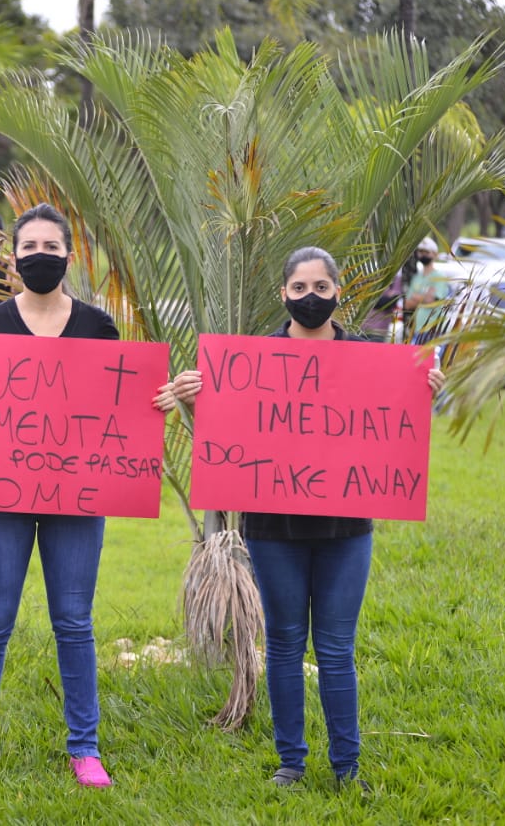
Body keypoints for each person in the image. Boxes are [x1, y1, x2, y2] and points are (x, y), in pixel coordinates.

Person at [0, 203, 176, 789]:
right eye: (29, 247)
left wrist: (155, 401)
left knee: (74, 622)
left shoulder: (98, 327)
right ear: (13, 258)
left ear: (68, 255)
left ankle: (85, 747)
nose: (40, 256)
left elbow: (119, 406)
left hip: (77, 499)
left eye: (51, 247)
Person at [169, 246, 445, 791]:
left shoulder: (369, 358)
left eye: (321, 287)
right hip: (274, 530)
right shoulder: (252, 362)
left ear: (338, 292)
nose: (310, 297)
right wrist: (192, 400)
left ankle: (347, 768)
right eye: (299, 288)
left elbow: (396, 428)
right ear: (284, 294)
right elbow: (224, 430)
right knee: (285, 644)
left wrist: (426, 396)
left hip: (346, 528)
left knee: (337, 649)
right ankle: (290, 763)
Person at [404, 237, 451, 345]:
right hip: (418, 329)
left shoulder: (439, 277)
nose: (423, 255)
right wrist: (425, 296)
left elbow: (431, 300)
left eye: (427, 252)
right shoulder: (417, 277)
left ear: (435, 254)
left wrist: (416, 296)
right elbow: (407, 304)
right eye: (421, 252)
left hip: (434, 330)